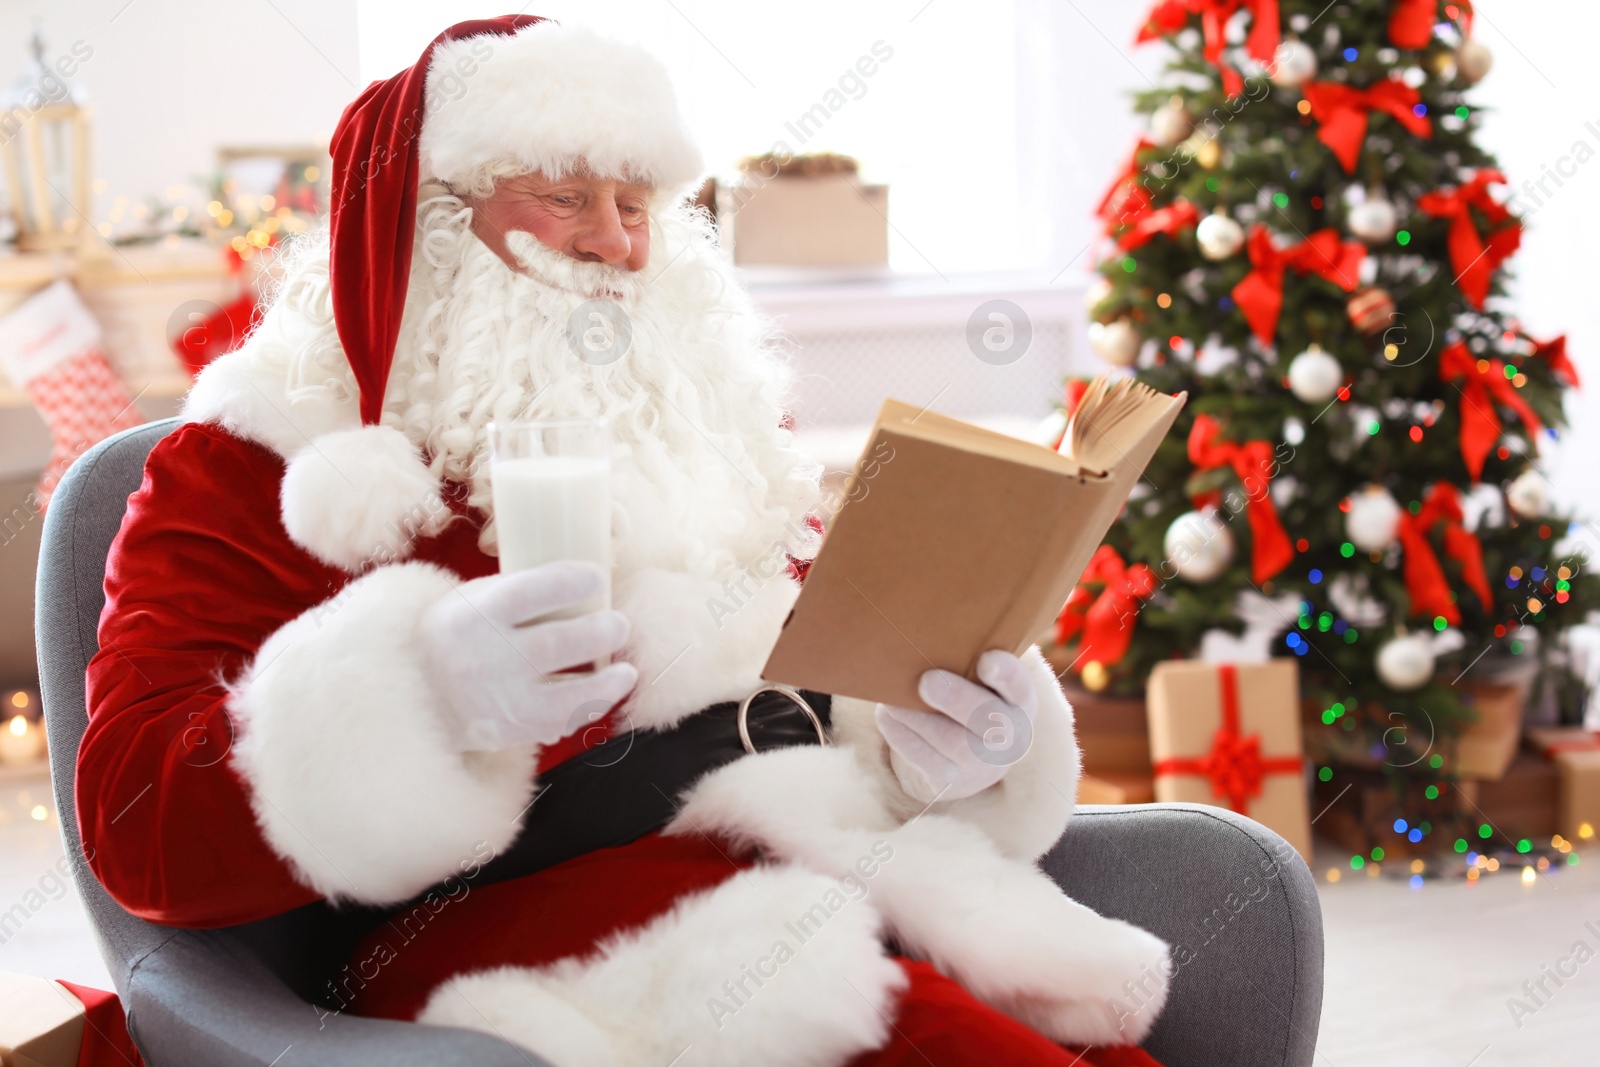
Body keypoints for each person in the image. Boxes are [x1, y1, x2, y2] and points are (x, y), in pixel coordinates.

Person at [78, 16, 1171, 1066]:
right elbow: (135, 824)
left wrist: (942, 745)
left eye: (636, 204)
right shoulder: (260, 457)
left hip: (836, 866)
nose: (615, 242)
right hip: (562, 944)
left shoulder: (697, 419)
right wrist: (425, 698)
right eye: (564, 198)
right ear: (431, 221)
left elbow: (814, 683)